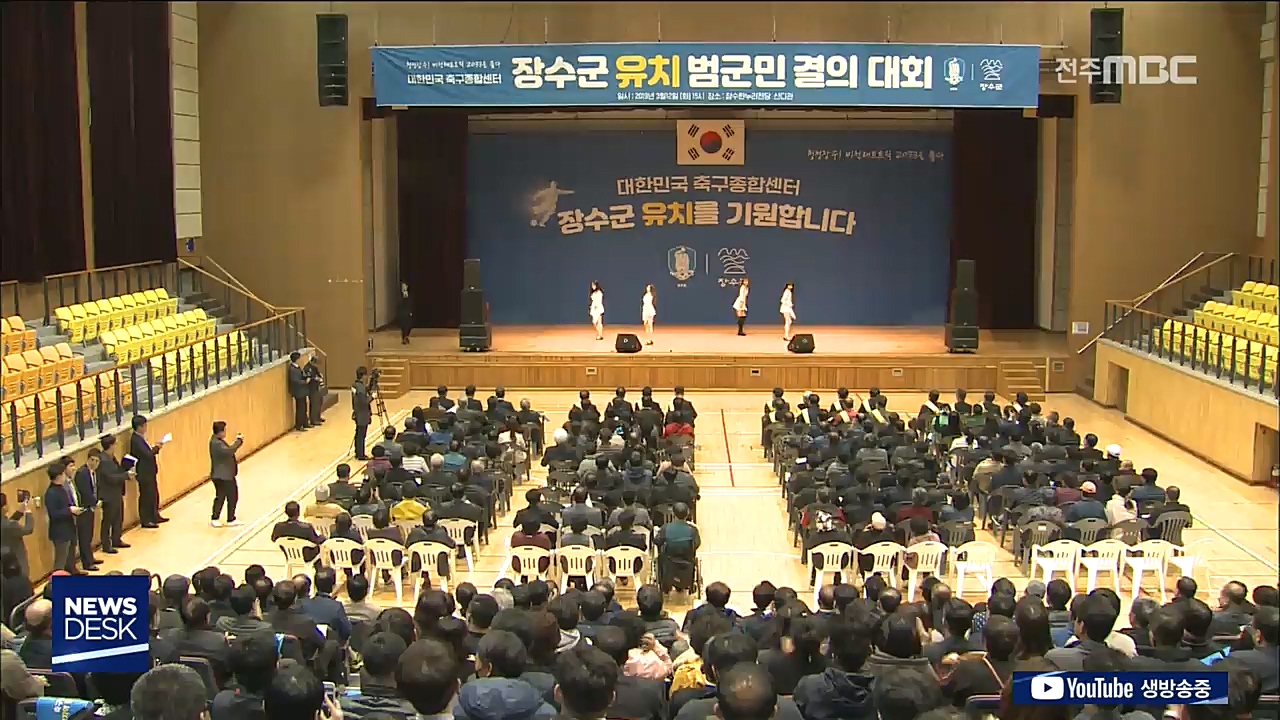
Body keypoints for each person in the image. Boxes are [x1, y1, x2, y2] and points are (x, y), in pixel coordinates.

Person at [129, 414, 169, 527]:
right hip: (143, 473)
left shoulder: (141, 438)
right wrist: (157, 448)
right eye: (144, 425)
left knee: (153, 494)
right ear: (139, 427)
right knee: (146, 496)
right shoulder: (135, 440)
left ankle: (155, 515)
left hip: (150, 472)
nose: (146, 427)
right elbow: (146, 455)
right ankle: (146, 520)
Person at [44, 463, 83, 575]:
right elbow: (53, 514)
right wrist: (69, 510)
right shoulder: (51, 493)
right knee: (60, 561)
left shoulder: (61, 489)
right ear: (59, 476)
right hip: (60, 532)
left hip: (68, 529)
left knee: (70, 557)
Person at [96, 435, 131, 554]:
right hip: (108, 494)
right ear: (110, 445)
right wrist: (126, 476)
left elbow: (117, 471)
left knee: (118, 518)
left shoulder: (111, 458)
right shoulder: (103, 460)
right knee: (108, 520)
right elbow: (110, 478)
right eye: (115, 444)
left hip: (116, 493)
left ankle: (116, 539)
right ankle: (106, 544)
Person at [209, 421, 245, 528]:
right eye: (224, 430)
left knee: (230, 496)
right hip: (222, 475)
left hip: (225, 475)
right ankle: (217, 518)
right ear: (220, 432)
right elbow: (229, 451)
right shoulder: (216, 443)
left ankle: (229, 518)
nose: (225, 432)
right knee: (223, 496)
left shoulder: (217, 441)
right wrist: (238, 441)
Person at [71, 454, 100, 571]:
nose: (96, 463)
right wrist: (95, 502)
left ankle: (90, 558)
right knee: (84, 537)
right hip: (84, 509)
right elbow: (85, 491)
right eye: (94, 460)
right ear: (89, 459)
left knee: (89, 535)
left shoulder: (92, 472)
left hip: (90, 508)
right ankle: (87, 563)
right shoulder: (82, 473)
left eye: (97, 461)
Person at [0, 492, 33, 578]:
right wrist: (28, 512)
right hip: (16, 560)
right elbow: (28, 529)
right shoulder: (10, 526)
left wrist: (19, 512)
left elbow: (9, 524)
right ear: (4, 507)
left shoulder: (7, 524)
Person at [352, 366, 373, 461]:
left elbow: (365, 390)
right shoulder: (360, 388)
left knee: (358, 433)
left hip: (358, 412)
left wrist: (372, 382)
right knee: (361, 435)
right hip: (362, 413)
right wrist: (372, 397)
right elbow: (363, 401)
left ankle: (358, 452)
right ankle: (361, 454)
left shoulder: (356, 385)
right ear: (363, 376)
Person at [287, 351, 309, 432]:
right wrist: (305, 382)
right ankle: (299, 425)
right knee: (300, 408)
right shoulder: (292, 369)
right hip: (298, 392)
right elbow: (295, 381)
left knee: (304, 407)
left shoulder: (297, 367)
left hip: (302, 391)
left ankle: (305, 423)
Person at [304, 355, 326, 427]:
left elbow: (317, 373)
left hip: (317, 387)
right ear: (313, 362)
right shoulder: (307, 368)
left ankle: (317, 417)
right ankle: (313, 420)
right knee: (314, 404)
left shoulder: (314, 367)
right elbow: (308, 377)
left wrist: (320, 376)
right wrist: (315, 378)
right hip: (311, 388)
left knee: (319, 401)